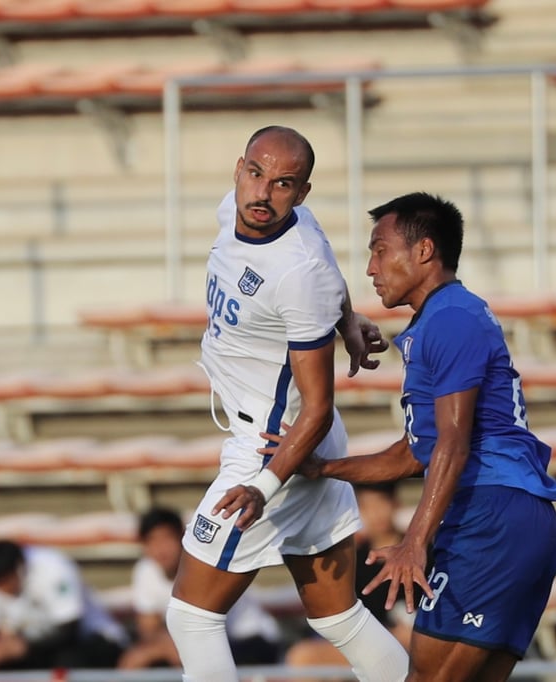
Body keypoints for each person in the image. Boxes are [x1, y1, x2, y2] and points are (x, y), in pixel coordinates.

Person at [166, 125, 409, 682]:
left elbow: (318, 406)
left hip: (277, 446)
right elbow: (325, 261)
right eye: (255, 173)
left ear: (301, 193)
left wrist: (265, 483)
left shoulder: (297, 273)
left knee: (191, 615)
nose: (262, 193)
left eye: (282, 184)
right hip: (291, 441)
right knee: (339, 618)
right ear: (238, 168)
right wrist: (347, 318)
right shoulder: (242, 210)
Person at [290, 192, 556, 681]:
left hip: (490, 517)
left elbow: (453, 444)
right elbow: (413, 454)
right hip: (509, 518)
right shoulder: (438, 320)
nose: (372, 267)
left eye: (380, 249)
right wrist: (324, 469)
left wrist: (415, 540)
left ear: (424, 251)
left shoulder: (452, 319)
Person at [119, 507, 283, 670]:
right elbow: (149, 629)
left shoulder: (202, 565)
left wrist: (166, 648)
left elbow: (205, 628)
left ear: (182, 537)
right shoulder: (146, 570)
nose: (161, 548)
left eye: (166, 538)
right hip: (204, 639)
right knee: (136, 660)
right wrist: (160, 647)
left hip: (250, 640)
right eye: (152, 540)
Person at [285, 482, 418, 674]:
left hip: (413, 640)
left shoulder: (421, 554)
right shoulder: (354, 560)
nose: (376, 513)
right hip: (365, 639)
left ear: (395, 503)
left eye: (381, 503)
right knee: (302, 656)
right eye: (367, 506)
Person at [0, 539, 127, 672]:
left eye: (5, 581)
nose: (2, 590)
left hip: (92, 640)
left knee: (67, 662)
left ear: (19, 566)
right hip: (34, 647)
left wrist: (22, 646)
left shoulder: (53, 568)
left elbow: (69, 630)